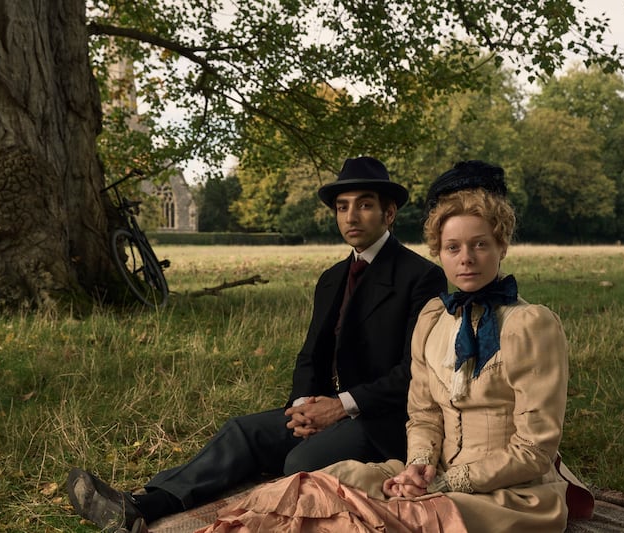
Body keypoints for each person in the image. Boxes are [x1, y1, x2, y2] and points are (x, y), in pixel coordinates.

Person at [189, 160, 595, 533]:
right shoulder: (435, 319)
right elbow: (422, 416)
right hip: (430, 473)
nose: (466, 259)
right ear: (440, 252)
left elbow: (534, 450)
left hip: (507, 493)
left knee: (368, 519)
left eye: (480, 245)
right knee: (309, 488)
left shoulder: (529, 324)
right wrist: (418, 466)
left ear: (501, 246)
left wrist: (439, 481)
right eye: (453, 248)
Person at [66, 156, 447, 531]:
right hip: (323, 410)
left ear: (389, 213)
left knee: (297, 462)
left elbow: (412, 374)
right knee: (242, 431)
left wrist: (340, 408)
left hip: (380, 420)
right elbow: (309, 356)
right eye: (342, 207)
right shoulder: (331, 278)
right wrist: (302, 406)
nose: (351, 217)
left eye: (364, 205)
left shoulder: (420, 277)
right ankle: (145, 505)